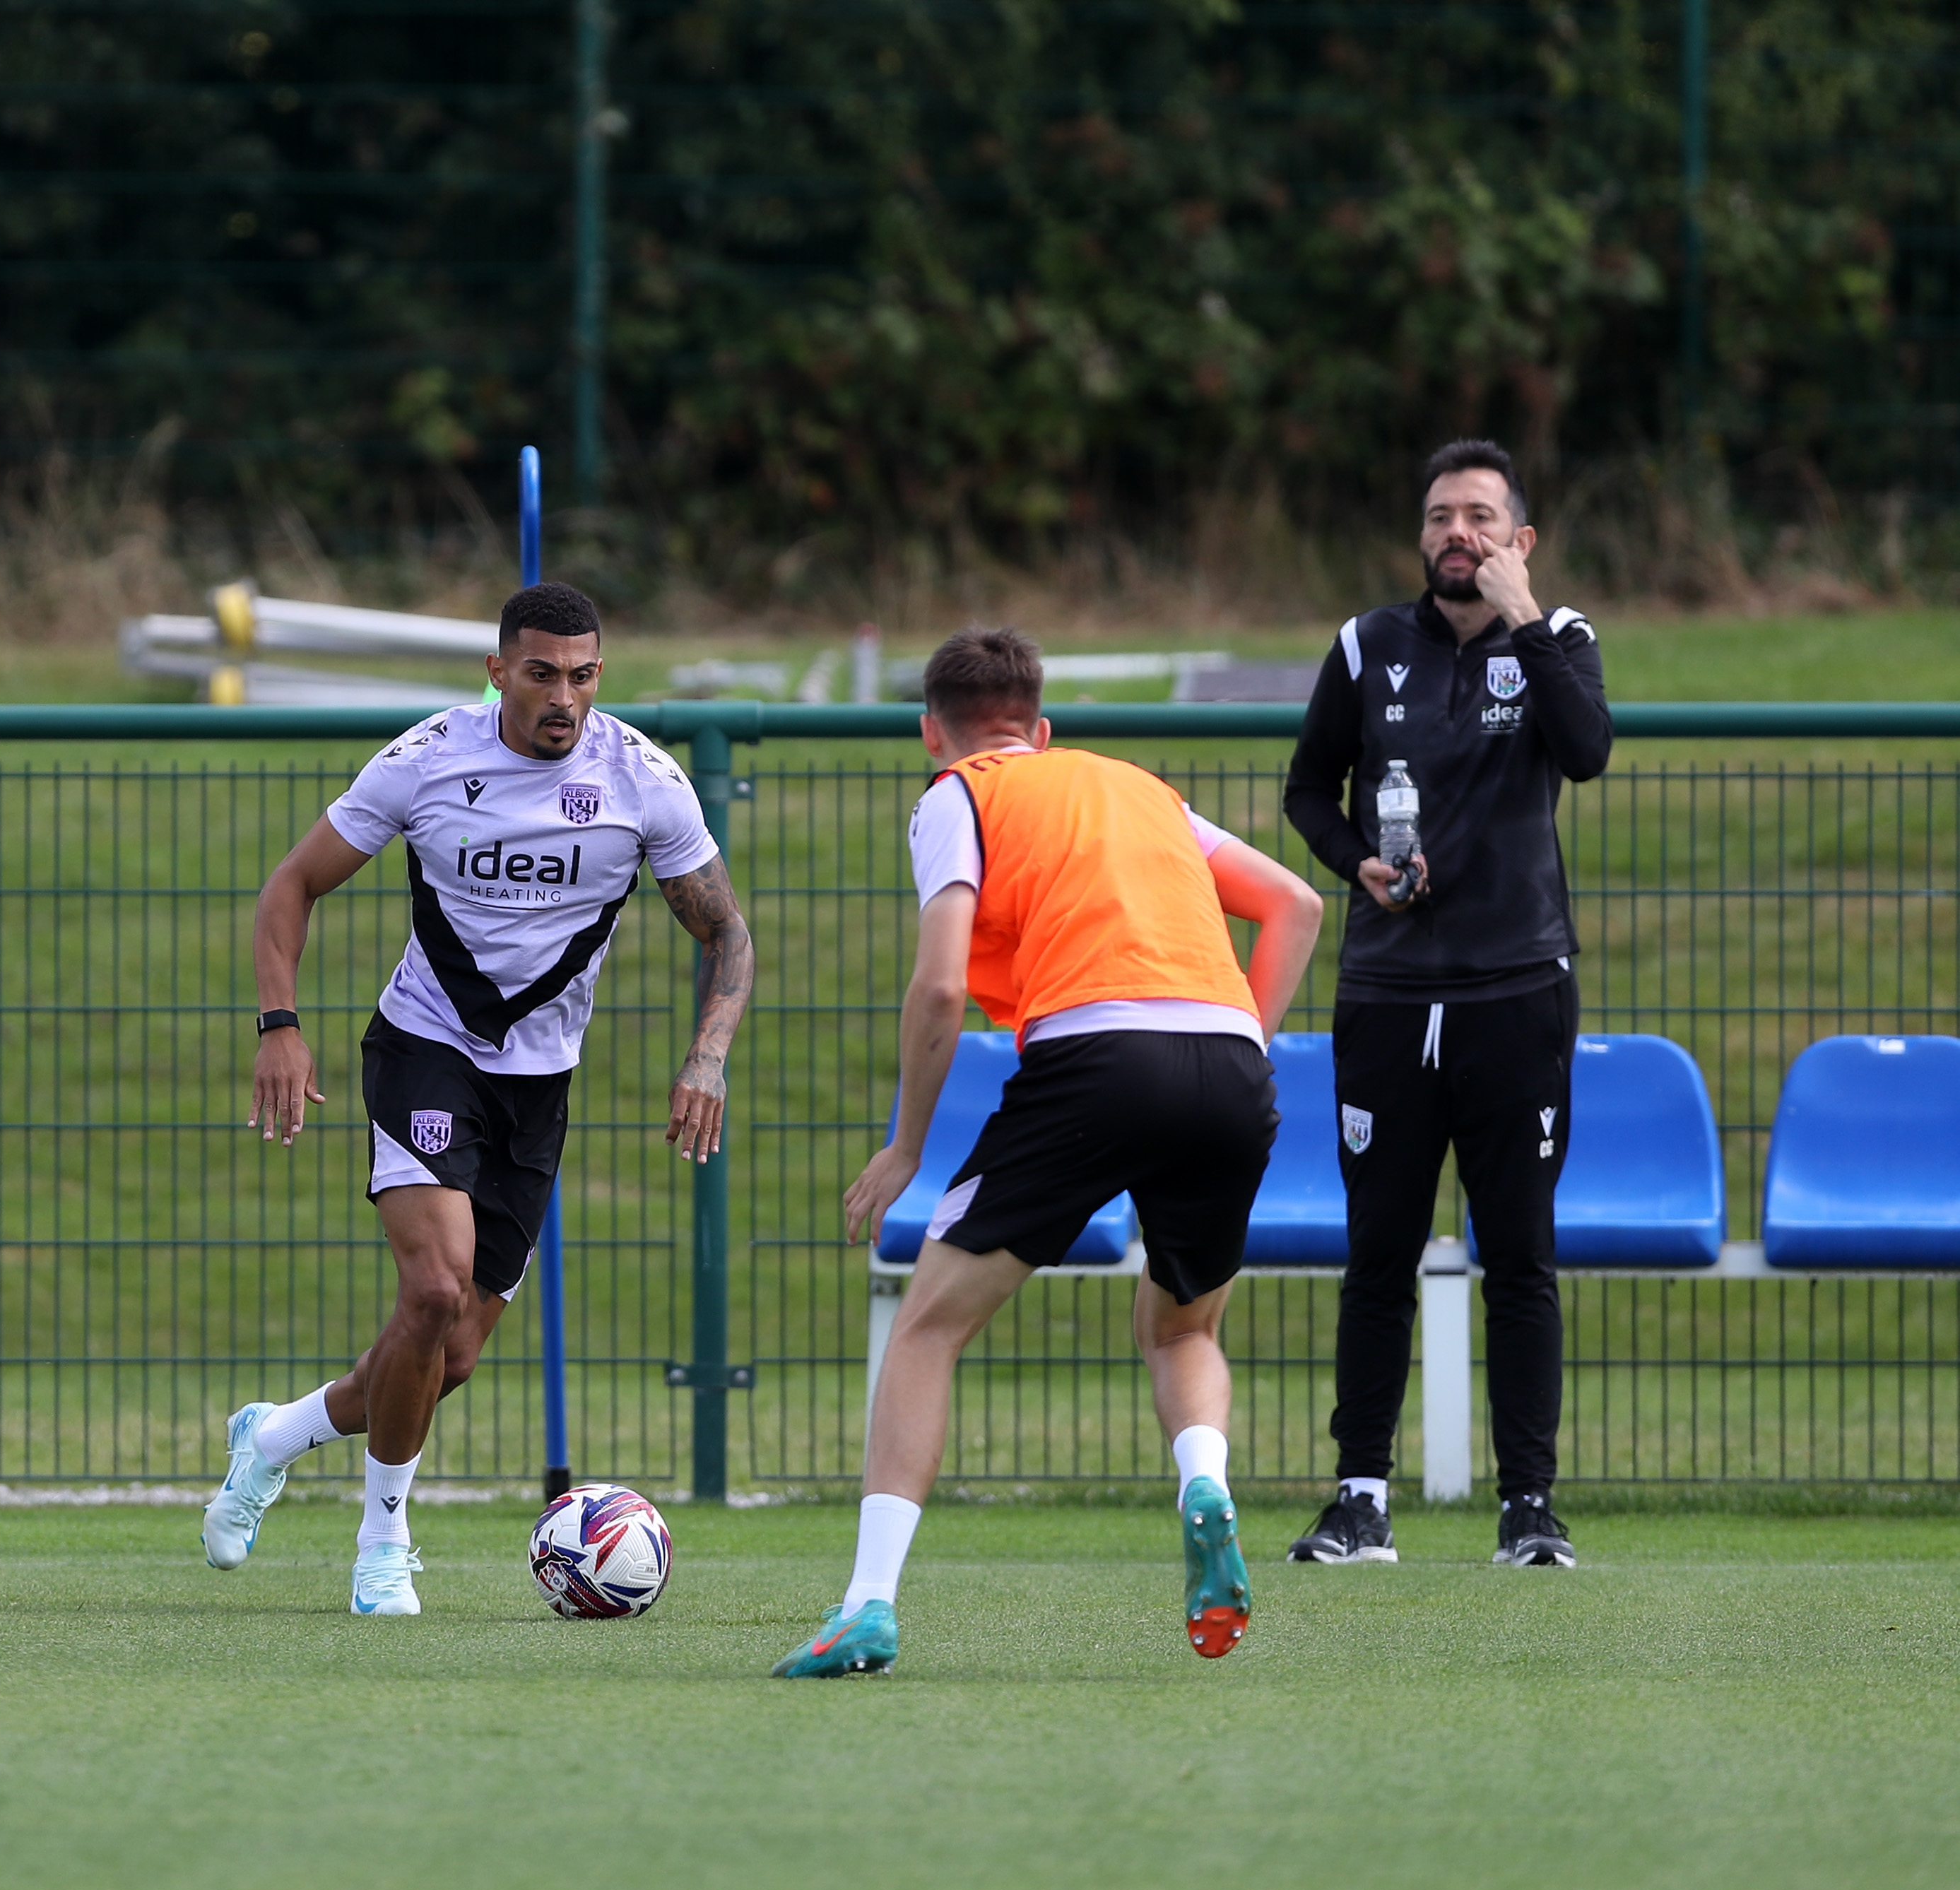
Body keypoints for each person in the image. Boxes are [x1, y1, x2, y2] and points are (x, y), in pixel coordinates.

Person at [773, 627, 1323, 1676]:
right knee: (1180, 1327)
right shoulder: (1138, 787)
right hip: (1228, 1065)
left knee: (926, 1327)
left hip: (1094, 1057)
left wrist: (904, 1147)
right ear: (1044, 726)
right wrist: (1241, 1041)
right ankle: (1202, 1482)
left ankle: (867, 1603)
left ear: (932, 732)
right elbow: (1293, 905)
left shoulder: (955, 794)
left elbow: (938, 987)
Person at [203, 581, 753, 1616]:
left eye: (582, 675)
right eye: (541, 672)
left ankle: (274, 1435)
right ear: (496, 670)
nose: (563, 697)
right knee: (432, 1295)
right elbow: (291, 886)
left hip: (537, 1088)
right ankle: (381, 1541)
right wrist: (278, 1025)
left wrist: (706, 1057)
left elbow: (726, 933)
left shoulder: (642, 779)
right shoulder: (426, 761)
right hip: (425, 1049)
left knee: (443, 1356)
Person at [1281, 437, 1610, 1570]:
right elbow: (1304, 790)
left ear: (1518, 541)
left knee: (1516, 1252)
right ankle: (1357, 1497)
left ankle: (1528, 1508)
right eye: (1437, 517)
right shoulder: (1366, 646)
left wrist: (1524, 619)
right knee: (1378, 1251)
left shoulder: (1558, 643)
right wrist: (1355, 864)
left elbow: (1587, 753)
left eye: (1477, 517)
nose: (1453, 534)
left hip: (1517, 992)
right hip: (1384, 992)